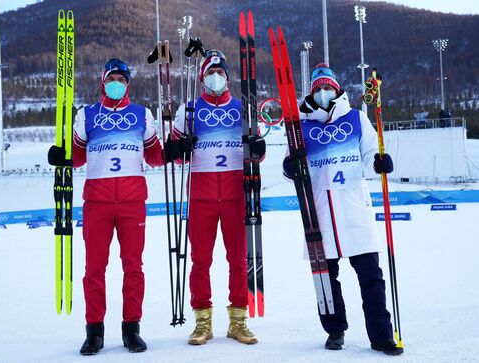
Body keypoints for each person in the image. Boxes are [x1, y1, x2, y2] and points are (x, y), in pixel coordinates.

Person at [48, 58, 179, 355]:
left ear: (128, 83)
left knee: (133, 267)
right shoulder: (87, 115)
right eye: (111, 78)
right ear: (103, 81)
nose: (116, 83)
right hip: (97, 202)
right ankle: (94, 331)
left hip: (133, 202)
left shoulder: (142, 114)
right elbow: (77, 157)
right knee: (94, 268)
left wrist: (171, 152)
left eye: (121, 78)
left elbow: (154, 157)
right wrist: (62, 156)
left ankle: (131, 329)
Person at [283, 63, 403, 356]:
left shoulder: (356, 118)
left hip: (354, 209)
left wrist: (379, 162)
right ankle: (335, 330)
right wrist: (291, 166)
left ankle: (381, 335)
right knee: (325, 277)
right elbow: (289, 166)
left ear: (337, 89)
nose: (324, 92)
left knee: (371, 276)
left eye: (328, 87)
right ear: (312, 93)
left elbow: (371, 152)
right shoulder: (300, 126)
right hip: (319, 212)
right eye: (318, 88)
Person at [169, 50, 265, 345]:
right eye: (211, 73)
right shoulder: (189, 109)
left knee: (238, 260)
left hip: (237, 195)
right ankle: (202, 322)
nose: (215, 77)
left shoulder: (241, 107)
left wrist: (257, 148)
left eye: (220, 73)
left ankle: (238, 321)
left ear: (227, 77)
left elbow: (258, 151)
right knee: (200, 261)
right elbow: (175, 157)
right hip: (201, 195)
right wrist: (181, 147)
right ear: (202, 78)